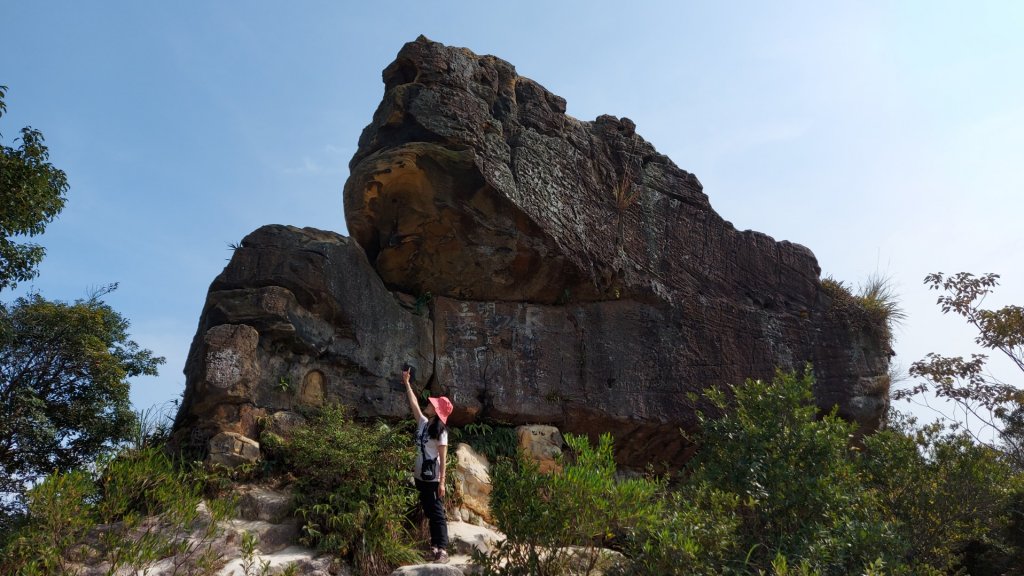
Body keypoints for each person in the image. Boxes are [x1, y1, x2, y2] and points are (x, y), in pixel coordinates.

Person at [402, 366, 453, 564]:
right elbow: (413, 403)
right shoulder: (423, 423)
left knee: (437, 513)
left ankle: (443, 550)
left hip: (432, 479)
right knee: (430, 512)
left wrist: (442, 483)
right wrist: (407, 383)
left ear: (437, 411)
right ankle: (434, 547)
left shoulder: (442, 432)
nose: (428, 405)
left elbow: (443, 458)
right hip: (420, 477)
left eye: (432, 405)